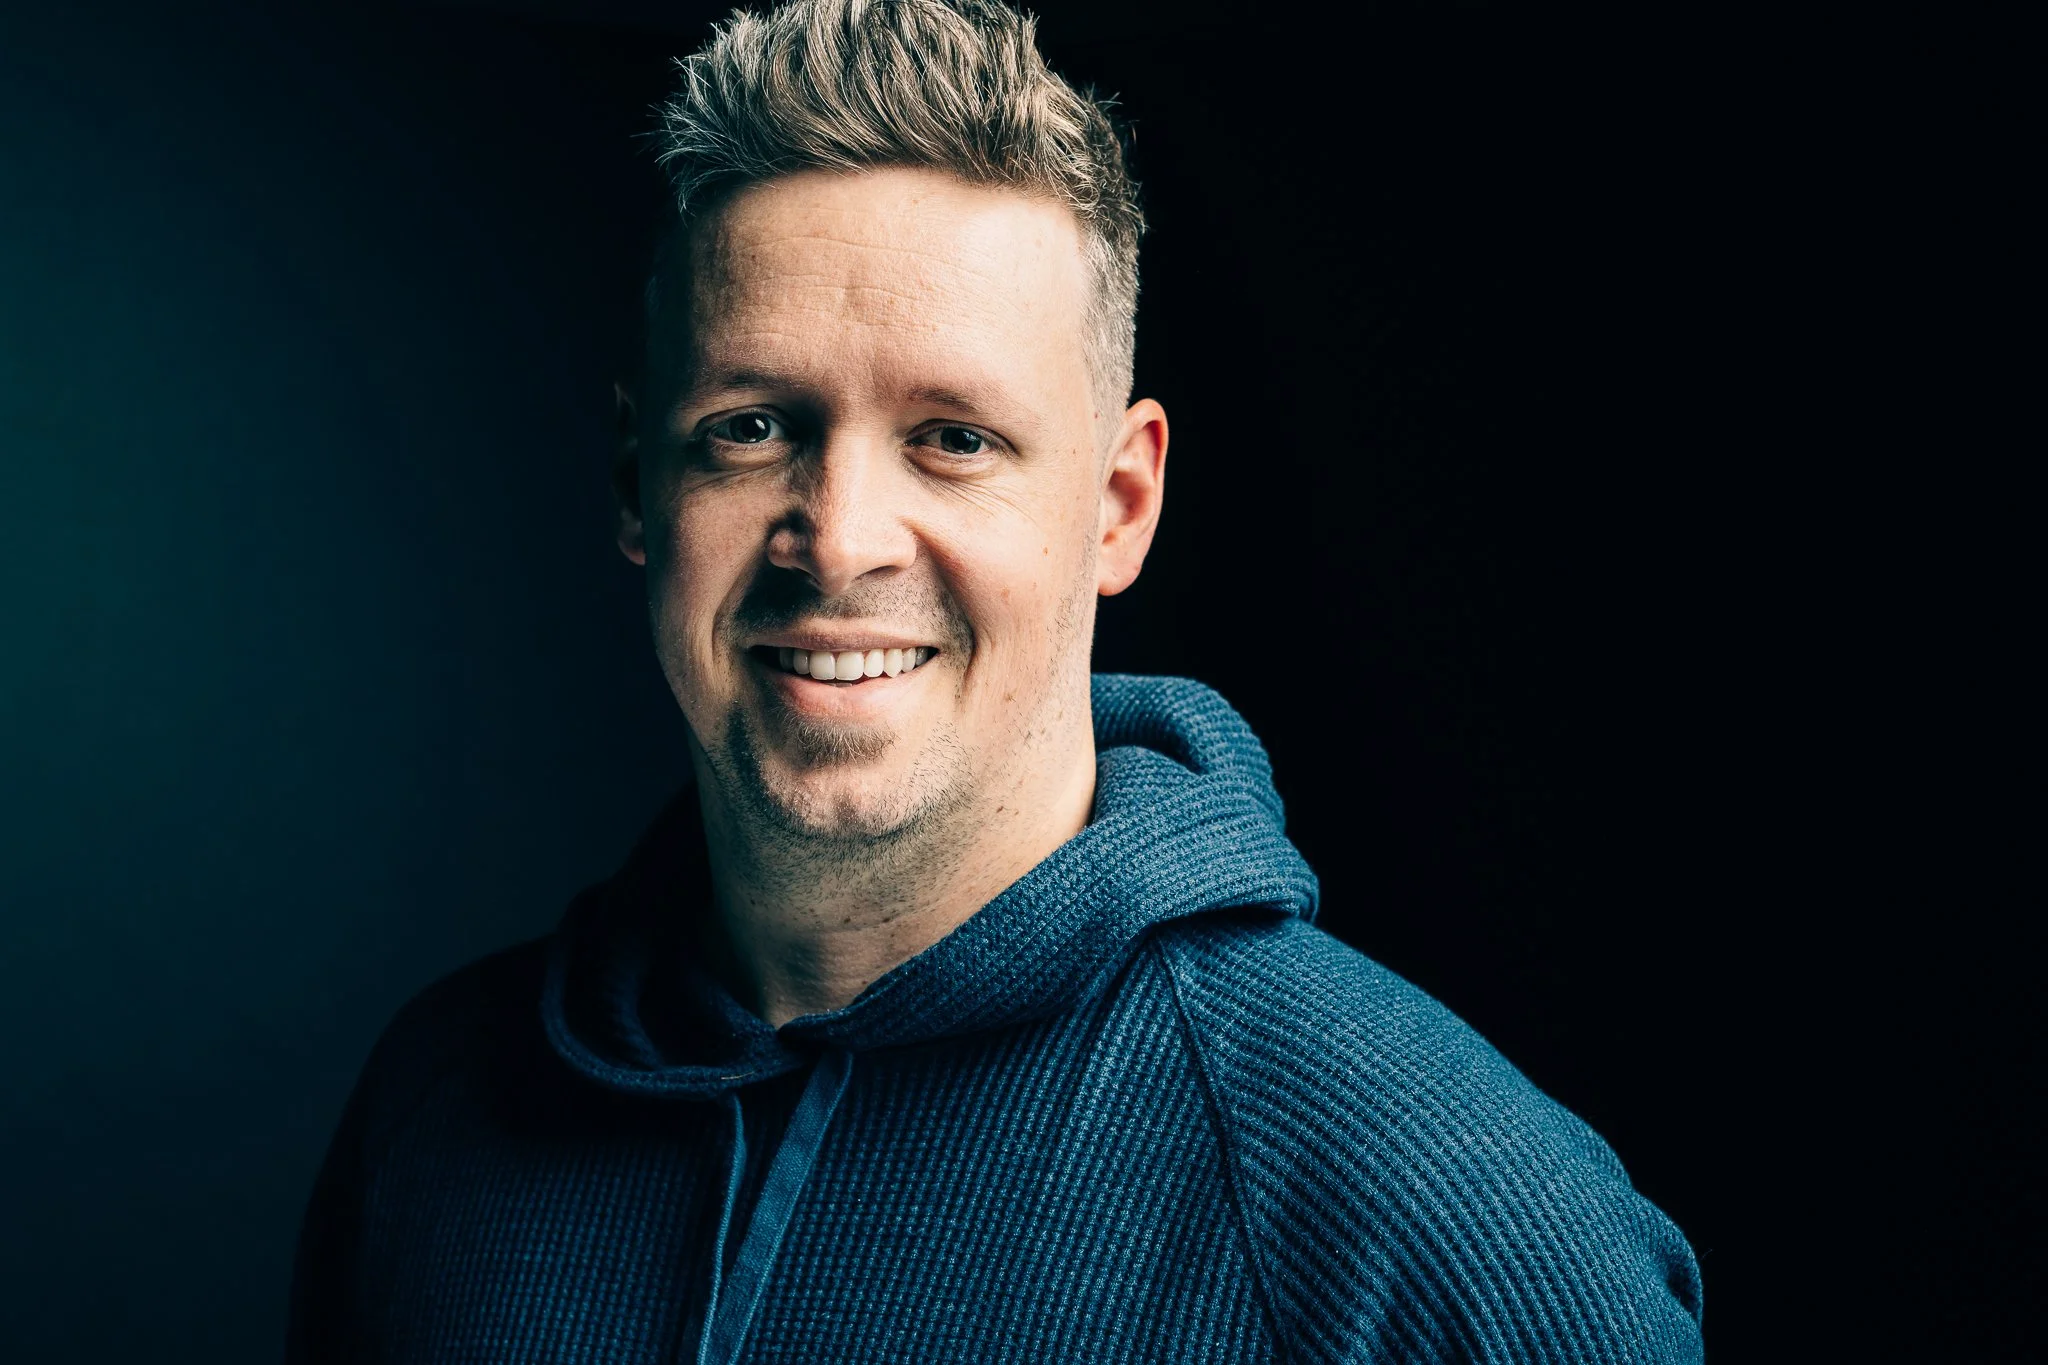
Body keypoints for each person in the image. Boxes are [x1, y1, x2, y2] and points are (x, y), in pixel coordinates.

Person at [286, 1, 1704, 1360]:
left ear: (1118, 505)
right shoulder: (438, 1114)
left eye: (954, 438)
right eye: (752, 426)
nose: (837, 539)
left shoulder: (1445, 1214)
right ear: (636, 485)